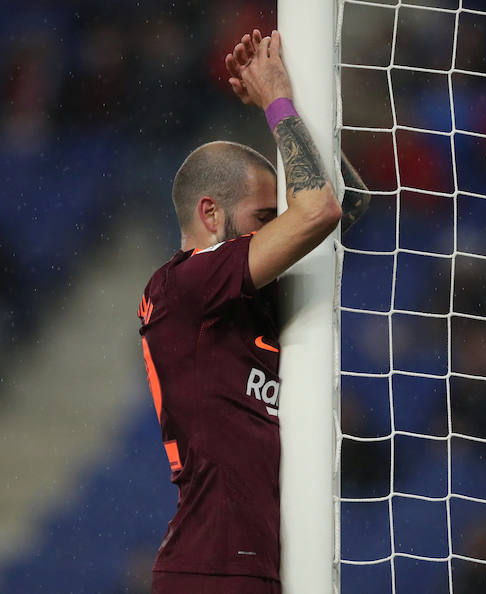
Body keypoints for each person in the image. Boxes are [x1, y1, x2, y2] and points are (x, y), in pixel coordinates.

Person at [138, 29, 368, 594]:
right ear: (210, 214)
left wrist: (287, 106)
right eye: (265, 218)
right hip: (210, 568)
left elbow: (350, 202)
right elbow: (319, 211)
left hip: (246, 568)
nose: (275, 230)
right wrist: (276, 101)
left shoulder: (241, 298)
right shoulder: (184, 284)